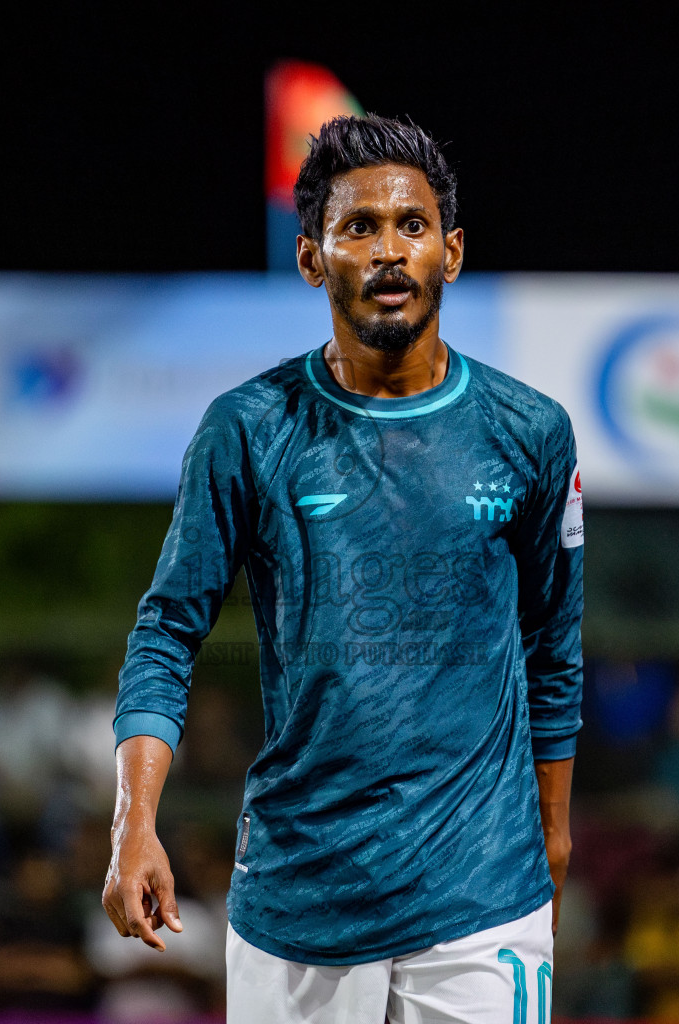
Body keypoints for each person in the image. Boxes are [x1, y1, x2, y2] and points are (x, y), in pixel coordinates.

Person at [104, 114, 584, 1023]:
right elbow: (166, 634)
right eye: (358, 227)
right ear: (312, 259)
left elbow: (553, 649)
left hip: (483, 899)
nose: (390, 249)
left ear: (453, 250)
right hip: (299, 900)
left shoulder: (531, 432)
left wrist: (552, 835)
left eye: (412, 224)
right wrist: (134, 823)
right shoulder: (248, 428)